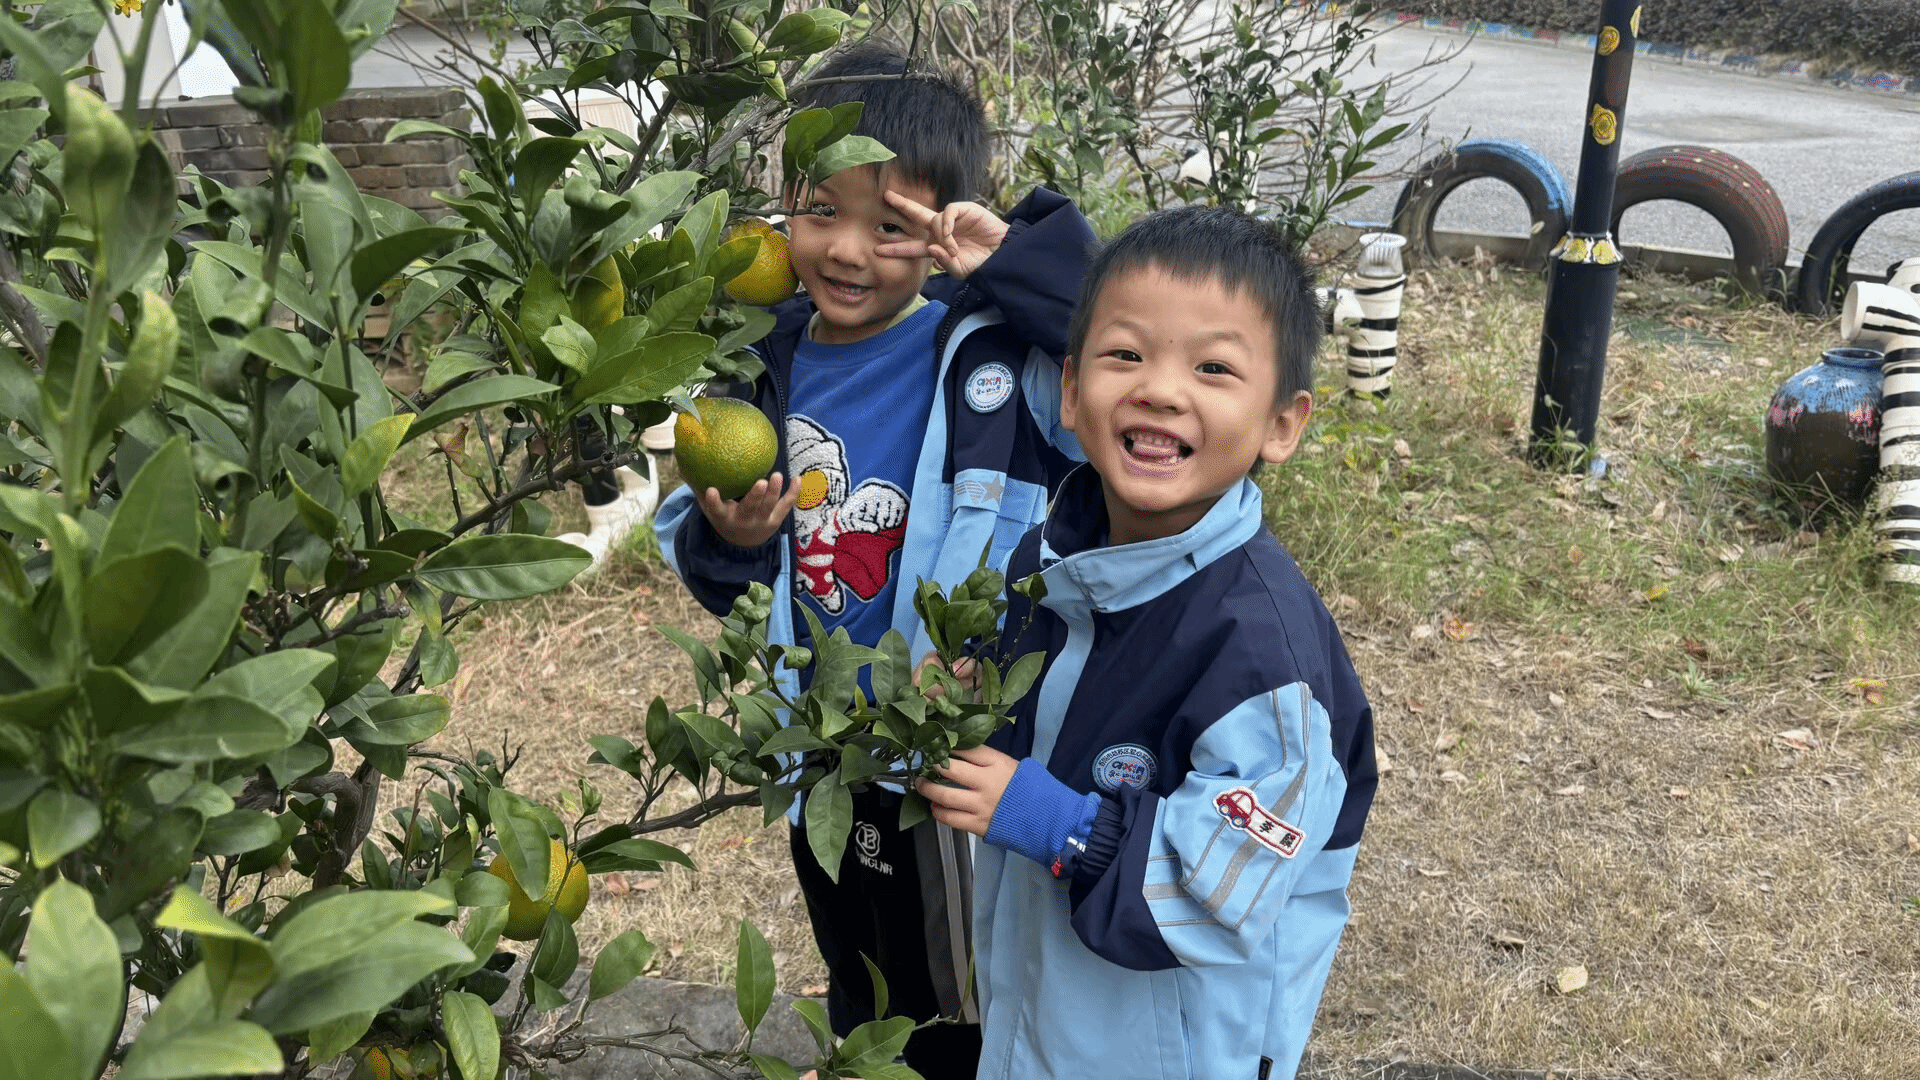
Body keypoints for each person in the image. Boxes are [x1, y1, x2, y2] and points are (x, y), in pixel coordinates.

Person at [652, 42, 1095, 1079]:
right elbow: (704, 545)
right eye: (820, 210)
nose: (847, 251)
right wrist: (734, 539)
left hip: (937, 749)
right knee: (854, 959)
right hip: (819, 747)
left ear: (942, 230)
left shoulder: (988, 357)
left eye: (890, 226)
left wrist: (1010, 262)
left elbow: (1114, 345)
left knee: (950, 999)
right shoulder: (759, 359)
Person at [914, 205, 1380, 1080]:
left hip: (1181, 1046)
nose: (1161, 389)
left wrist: (1054, 822)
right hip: (1050, 1004)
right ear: (1070, 388)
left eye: (1214, 367)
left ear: (1282, 423)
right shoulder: (1055, 558)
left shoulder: (1263, 661)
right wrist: (980, 703)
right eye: (1125, 355)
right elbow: (1057, 717)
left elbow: (1217, 895)